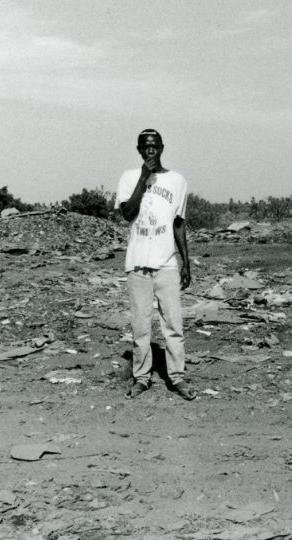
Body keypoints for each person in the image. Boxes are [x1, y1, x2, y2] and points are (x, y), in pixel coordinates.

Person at [115, 129, 196, 400]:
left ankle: (177, 377)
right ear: (139, 150)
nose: (150, 151)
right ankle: (142, 377)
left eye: (155, 146)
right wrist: (142, 179)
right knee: (141, 326)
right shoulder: (128, 177)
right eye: (145, 147)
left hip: (167, 263)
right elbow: (128, 214)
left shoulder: (177, 181)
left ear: (162, 147)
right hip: (138, 263)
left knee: (173, 324)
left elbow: (179, 224)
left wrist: (186, 261)